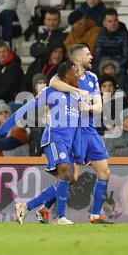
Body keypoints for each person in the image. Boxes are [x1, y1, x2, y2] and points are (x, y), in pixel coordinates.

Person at [0, 61, 81, 224]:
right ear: (65, 75)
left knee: (68, 178)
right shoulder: (50, 92)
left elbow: (77, 123)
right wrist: (4, 127)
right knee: (64, 169)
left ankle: (29, 207)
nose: (78, 75)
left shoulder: (76, 96)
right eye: (75, 72)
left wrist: (78, 148)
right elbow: (25, 108)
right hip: (54, 137)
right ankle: (61, 217)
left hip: (68, 142)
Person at [50, 43, 113, 224]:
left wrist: (88, 107)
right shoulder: (67, 75)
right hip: (72, 130)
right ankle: (50, 211)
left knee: (104, 171)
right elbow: (52, 83)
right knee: (70, 176)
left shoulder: (92, 77)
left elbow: (99, 107)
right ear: (78, 58)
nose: (92, 56)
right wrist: (76, 91)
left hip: (89, 130)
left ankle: (95, 215)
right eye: (88, 54)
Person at [0, 41, 23, 116]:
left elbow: (8, 88)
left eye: (4, 52)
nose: (2, 55)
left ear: (8, 52)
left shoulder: (14, 66)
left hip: (10, 101)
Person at [94, 8, 128, 74]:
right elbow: (97, 56)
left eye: (115, 21)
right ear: (104, 23)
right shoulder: (100, 36)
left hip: (120, 67)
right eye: (110, 21)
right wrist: (106, 67)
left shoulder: (124, 35)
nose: (113, 24)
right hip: (103, 68)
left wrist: (114, 67)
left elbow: (126, 56)